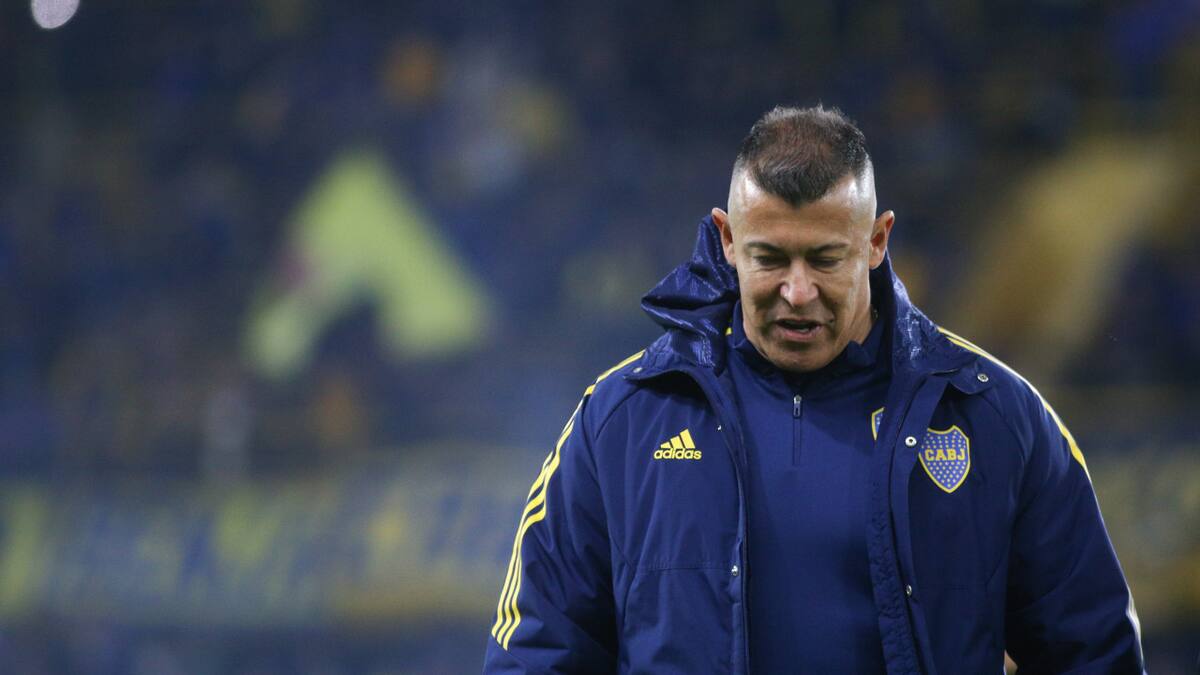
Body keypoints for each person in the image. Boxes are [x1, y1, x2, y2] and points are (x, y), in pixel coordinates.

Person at [483, 106, 1145, 673]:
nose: (797, 293)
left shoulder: (999, 417)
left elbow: (1093, 651)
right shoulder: (620, 421)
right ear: (727, 239)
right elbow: (535, 651)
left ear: (879, 240)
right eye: (770, 257)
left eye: (826, 259)